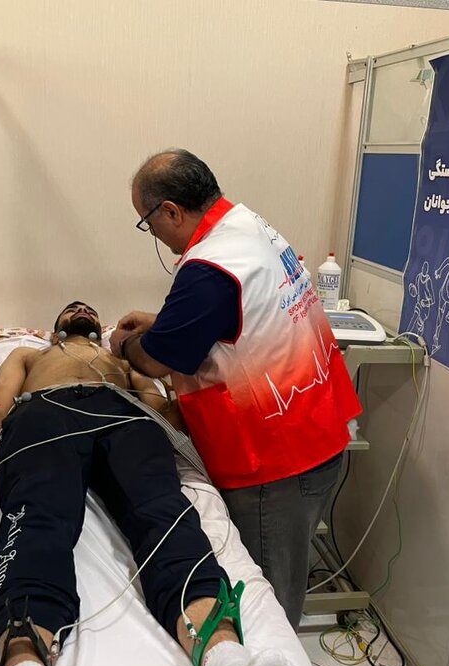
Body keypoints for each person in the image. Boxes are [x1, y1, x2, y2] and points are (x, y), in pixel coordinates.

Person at [0, 301, 301, 666]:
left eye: (88, 309)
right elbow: (0, 397)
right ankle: (24, 657)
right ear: (56, 330)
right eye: (72, 309)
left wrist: (176, 389)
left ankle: (224, 656)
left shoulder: (121, 359)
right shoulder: (29, 354)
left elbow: (158, 408)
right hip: (45, 410)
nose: (81, 310)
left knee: (163, 508)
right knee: (38, 508)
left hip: (122, 414)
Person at [110, 150, 363, 629]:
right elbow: (239, 314)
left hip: (276, 462)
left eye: (148, 222)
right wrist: (166, 322)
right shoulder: (247, 226)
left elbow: (157, 360)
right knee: (277, 581)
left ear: (170, 211)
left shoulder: (210, 267)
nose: (154, 234)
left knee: (268, 606)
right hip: (316, 432)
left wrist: (123, 345)